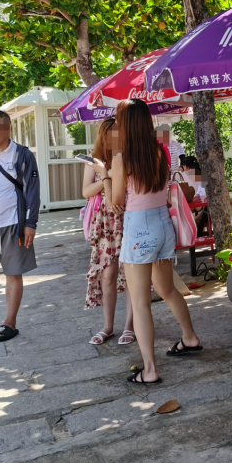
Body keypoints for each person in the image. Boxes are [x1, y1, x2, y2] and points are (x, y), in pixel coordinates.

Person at [97, 99, 201, 385]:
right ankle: (189, 337)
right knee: (167, 289)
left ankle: (150, 369)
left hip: (139, 228)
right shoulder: (159, 152)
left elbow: (115, 202)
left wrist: (105, 176)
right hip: (163, 225)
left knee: (140, 302)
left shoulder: (122, 158)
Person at [83, 118, 134, 346]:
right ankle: (108, 326)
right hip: (104, 221)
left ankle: (130, 325)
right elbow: (86, 191)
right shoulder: (94, 160)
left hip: (127, 216)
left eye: (118, 133)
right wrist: (106, 176)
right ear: (103, 136)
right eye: (111, 133)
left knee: (132, 274)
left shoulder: (129, 156)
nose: (115, 137)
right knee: (107, 275)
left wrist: (107, 175)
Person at [0, 109, 39, 343]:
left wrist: (30, 223)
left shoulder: (21, 155)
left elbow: (32, 191)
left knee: (13, 273)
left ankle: (9, 323)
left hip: (13, 223)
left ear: (8, 128)